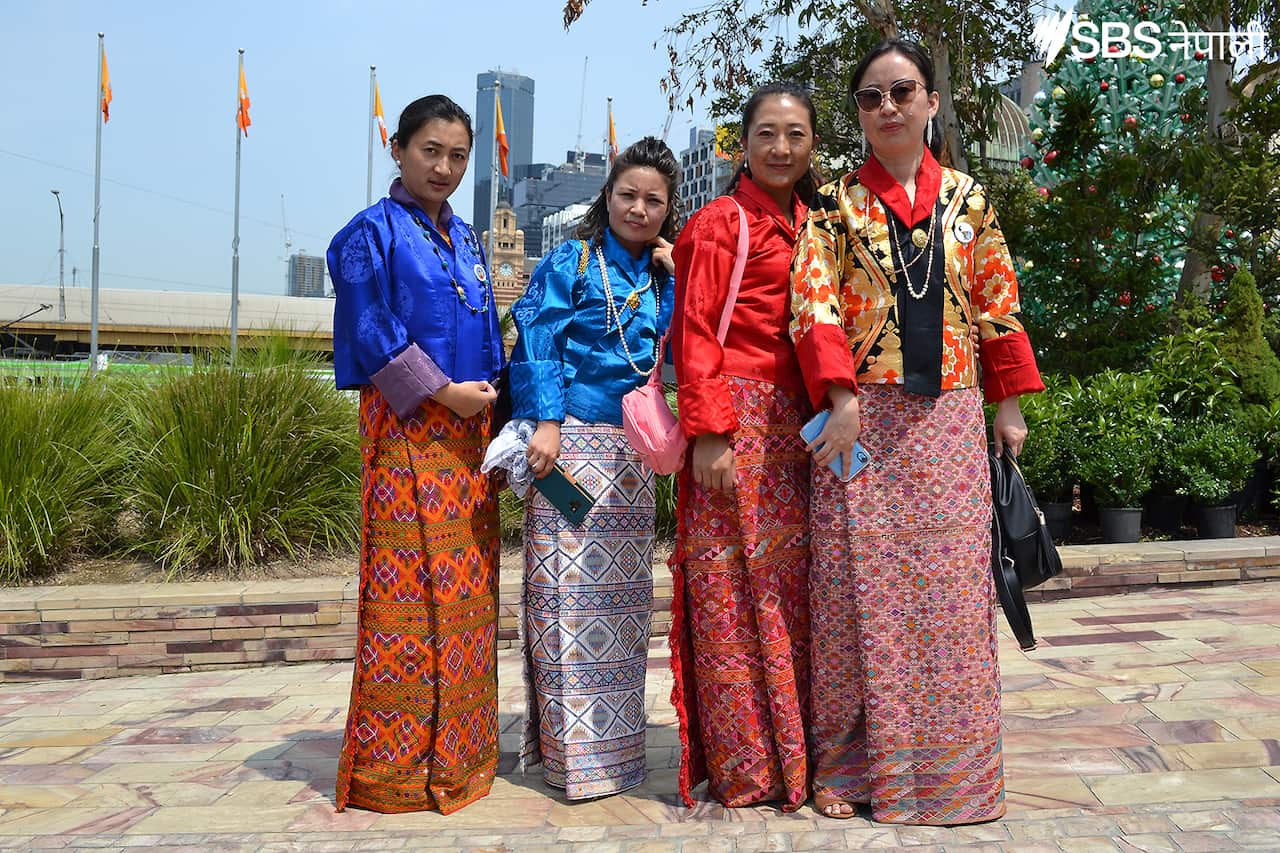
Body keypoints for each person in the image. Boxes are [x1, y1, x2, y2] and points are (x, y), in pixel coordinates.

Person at [789, 39, 1044, 824]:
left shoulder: (968, 199)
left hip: (950, 423)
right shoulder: (831, 203)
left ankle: (955, 775)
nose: (888, 107)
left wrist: (1009, 403)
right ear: (858, 114)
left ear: (933, 103)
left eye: (903, 92)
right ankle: (852, 765)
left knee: (949, 599)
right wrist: (839, 393)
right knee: (849, 591)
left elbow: (998, 300)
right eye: (871, 97)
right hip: (855, 420)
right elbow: (814, 304)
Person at [327, 94, 503, 815]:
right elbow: (371, 330)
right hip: (407, 432)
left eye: (459, 155)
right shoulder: (367, 233)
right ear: (396, 149)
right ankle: (395, 770)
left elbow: (489, 330)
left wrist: (501, 412)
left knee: (466, 598)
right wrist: (442, 393)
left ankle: (461, 758)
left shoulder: (467, 237)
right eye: (431, 150)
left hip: (469, 441)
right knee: (408, 598)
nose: (445, 167)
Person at [508, 137, 679, 800]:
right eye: (627, 194)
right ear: (606, 196)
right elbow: (538, 336)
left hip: (634, 455)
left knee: (624, 608)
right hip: (571, 445)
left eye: (653, 200)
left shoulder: (662, 274)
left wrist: (682, 267)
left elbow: (680, 343)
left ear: (669, 209)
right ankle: (572, 760)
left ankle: (619, 754)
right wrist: (546, 422)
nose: (638, 208)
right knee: (565, 602)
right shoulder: (570, 259)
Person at [667, 82, 820, 812]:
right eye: (767, 133)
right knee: (729, 595)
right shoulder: (720, 222)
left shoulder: (815, 223)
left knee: (790, 595)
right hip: (733, 422)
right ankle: (748, 765)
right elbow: (693, 334)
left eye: (794, 134)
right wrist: (709, 432)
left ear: (812, 144)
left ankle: (801, 751)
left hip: (795, 431)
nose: (781, 148)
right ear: (744, 142)